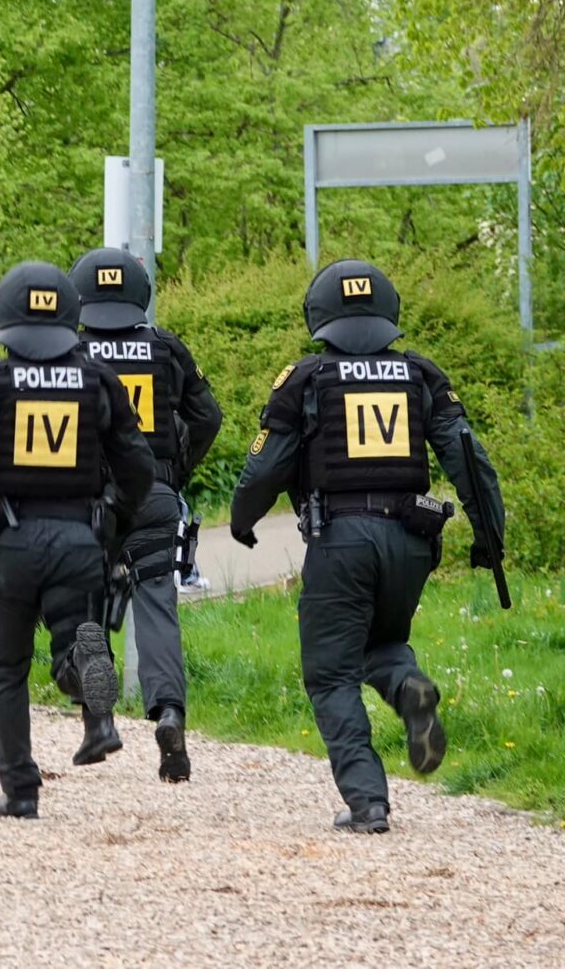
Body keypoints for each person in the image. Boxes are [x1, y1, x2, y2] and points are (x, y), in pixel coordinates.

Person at [230, 259, 504, 834]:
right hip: (412, 540)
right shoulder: (421, 375)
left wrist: (242, 520)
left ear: (320, 315)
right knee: (383, 641)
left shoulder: (305, 378)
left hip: (340, 540)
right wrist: (489, 538)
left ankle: (367, 800)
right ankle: (408, 689)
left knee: (331, 674)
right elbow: (469, 460)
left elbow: (266, 468)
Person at [0, 262, 154, 819]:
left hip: (11, 541)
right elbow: (139, 469)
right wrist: (113, 518)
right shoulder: (100, 381)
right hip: (80, 539)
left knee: (6, 667)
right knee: (74, 642)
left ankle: (21, 790)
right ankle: (93, 701)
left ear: (1, 317)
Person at [70, 248, 223, 782]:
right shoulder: (166, 348)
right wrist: (175, 469)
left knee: (83, 604)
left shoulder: (69, 353)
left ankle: (98, 722)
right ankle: (170, 713)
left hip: (88, 498)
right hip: (154, 493)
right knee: (157, 602)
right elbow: (207, 417)